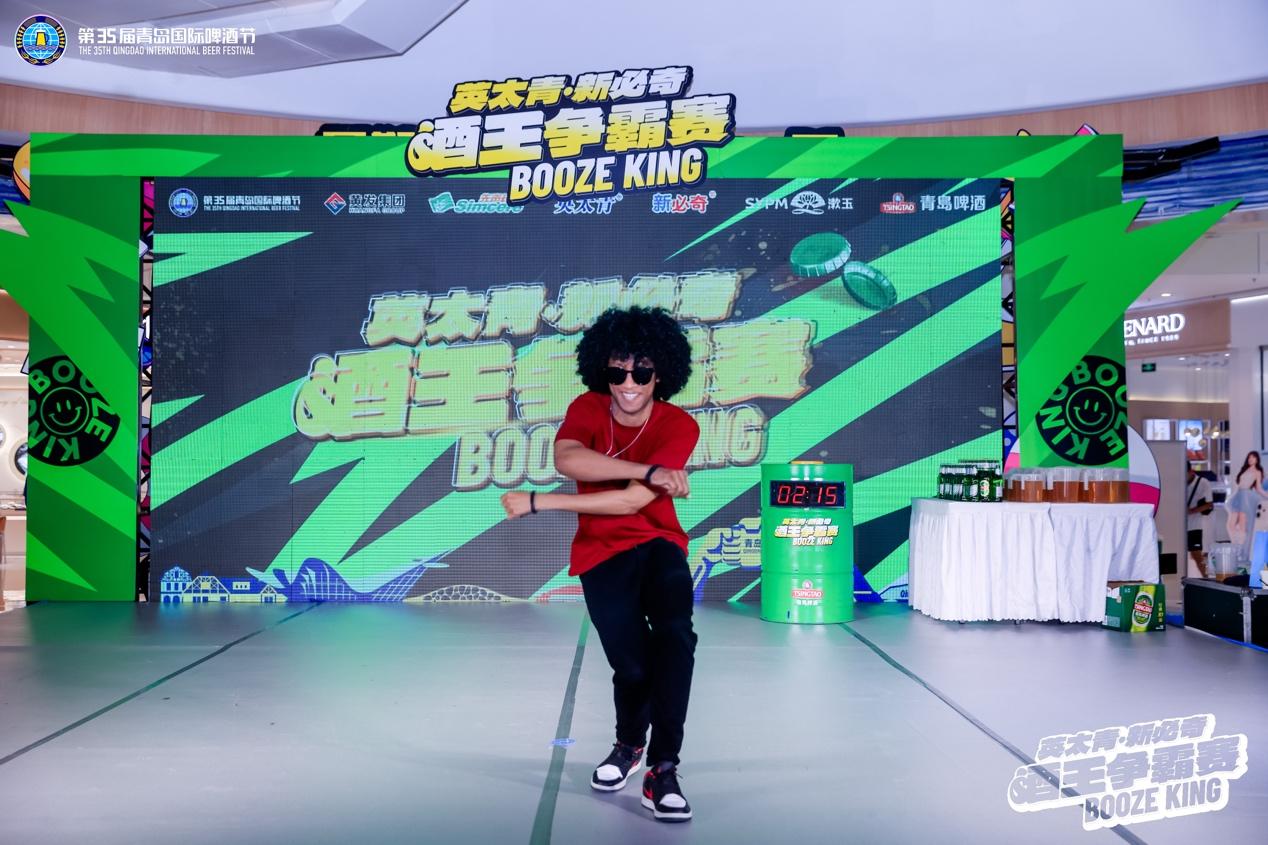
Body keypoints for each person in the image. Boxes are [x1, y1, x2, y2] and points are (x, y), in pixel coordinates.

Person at [500, 306, 700, 823]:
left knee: (675, 636)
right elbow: (568, 459)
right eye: (618, 372)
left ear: (661, 374)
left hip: (659, 542)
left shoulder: (679, 425)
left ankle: (663, 768)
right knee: (631, 666)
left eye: (642, 373)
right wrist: (649, 470)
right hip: (601, 552)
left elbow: (630, 503)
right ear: (602, 371)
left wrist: (539, 502)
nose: (628, 384)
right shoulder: (587, 408)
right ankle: (629, 745)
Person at [1226, 451, 1266, 552]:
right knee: (1231, 525)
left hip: (1246, 497)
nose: (1250, 459)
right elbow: (1239, 484)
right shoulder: (1245, 469)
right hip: (1238, 495)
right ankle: (1237, 546)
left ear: (1257, 459)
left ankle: (1242, 550)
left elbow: (1259, 488)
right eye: (1249, 457)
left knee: (1242, 526)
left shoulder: (1257, 472)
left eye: (1253, 457)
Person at [1186, 464, 1214, 578]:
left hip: (1195, 525)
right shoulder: (1178, 482)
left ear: (1191, 471)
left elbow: (1209, 504)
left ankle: (1207, 579)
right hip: (1180, 526)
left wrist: (1192, 511)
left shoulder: (1203, 482)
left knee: (1197, 555)